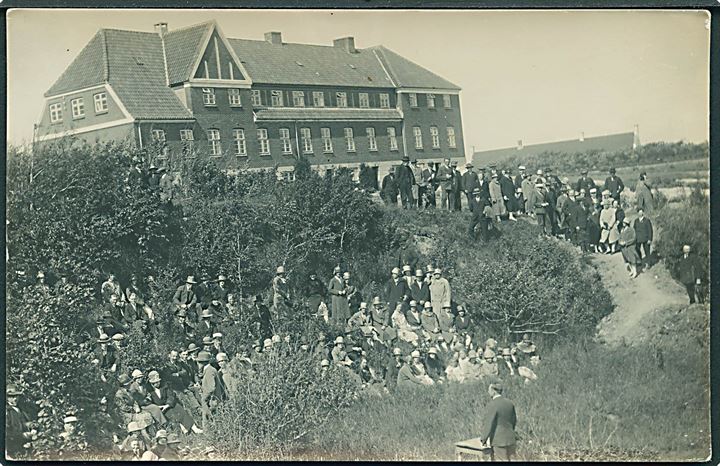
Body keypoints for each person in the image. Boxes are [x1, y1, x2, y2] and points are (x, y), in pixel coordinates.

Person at [479, 382, 518, 461]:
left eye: (489, 390)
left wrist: (484, 439)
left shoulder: (493, 404)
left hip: (499, 440)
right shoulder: (509, 403)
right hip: (511, 438)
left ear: (493, 391)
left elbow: (489, 423)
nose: (488, 392)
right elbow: (514, 420)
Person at [6, 384, 35, 458]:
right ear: (7, 398)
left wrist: (31, 425)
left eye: (16, 396)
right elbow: (7, 433)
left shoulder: (20, 409)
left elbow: (21, 423)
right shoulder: (7, 411)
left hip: (25, 447)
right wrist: (22, 436)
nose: (15, 399)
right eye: (12, 397)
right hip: (12, 449)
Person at [196, 351, 224, 427]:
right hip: (213, 400)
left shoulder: (209, 371)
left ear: (202, 363)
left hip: (211, 401)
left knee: (209, 421)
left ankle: (209, 436)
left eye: (199, 362)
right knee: (213, 420)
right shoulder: (211, 369)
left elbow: (211, 387)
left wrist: (204, 398)